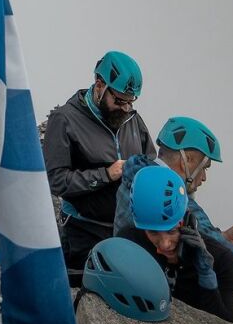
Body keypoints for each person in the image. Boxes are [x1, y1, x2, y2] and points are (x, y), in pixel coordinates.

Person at [113, 115, 233, 291]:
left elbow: (200, 236)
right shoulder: (173, 199)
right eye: (205, 167)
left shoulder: (137, 178)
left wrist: (224, 238)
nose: (204, 177)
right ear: (187, 160)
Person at [43, 50, 155, 280]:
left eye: (130, 102)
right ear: (99, 84)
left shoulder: (133, 120)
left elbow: (150, 160)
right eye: (119, 100)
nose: (125, 108)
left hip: (126, 233)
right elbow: (56, 181)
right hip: (83, 232)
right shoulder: (64, 119)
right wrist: (106, 174)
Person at [121, 164, 233, 322]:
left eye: (172, 231)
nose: (165, 245)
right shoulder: (130, 242)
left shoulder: (222, 261)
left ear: (187, 220)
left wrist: (206, 277)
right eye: (153, 232)